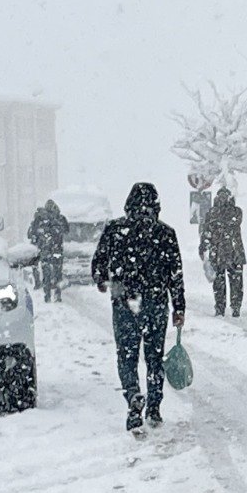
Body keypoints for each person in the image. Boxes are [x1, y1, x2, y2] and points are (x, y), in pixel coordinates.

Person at [91, 183, 186, 431]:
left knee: (127, 354)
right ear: (157, 205)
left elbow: (98, 263)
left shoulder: (115, 229)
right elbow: (175, 274)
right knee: (154, 357)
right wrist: (179, 307)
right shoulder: (165, 233)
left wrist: (102, 280)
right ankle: (154, 407)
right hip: (155, 301)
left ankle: (133, 395)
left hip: (125, 301)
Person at [199, 187, 246, 317]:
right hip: (219, 251)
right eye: (221, 196)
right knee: (219, 282)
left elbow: (234, 221)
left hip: (233, 252)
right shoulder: (212, 213)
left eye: (226, 196)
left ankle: (235, 307)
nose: (223, 198)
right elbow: (206, 231)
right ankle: (220, 307)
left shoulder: (236, 211)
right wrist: (203, 246)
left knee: (236, 282)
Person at [27, 200, 69, 303]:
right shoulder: (60, 218)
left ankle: (47, 296)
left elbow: (31, 233)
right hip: (57, 249)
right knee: (58, 273)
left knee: (47, 274)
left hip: (45, 250)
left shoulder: (40, 218)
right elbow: (67, 230)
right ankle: (57, 295)